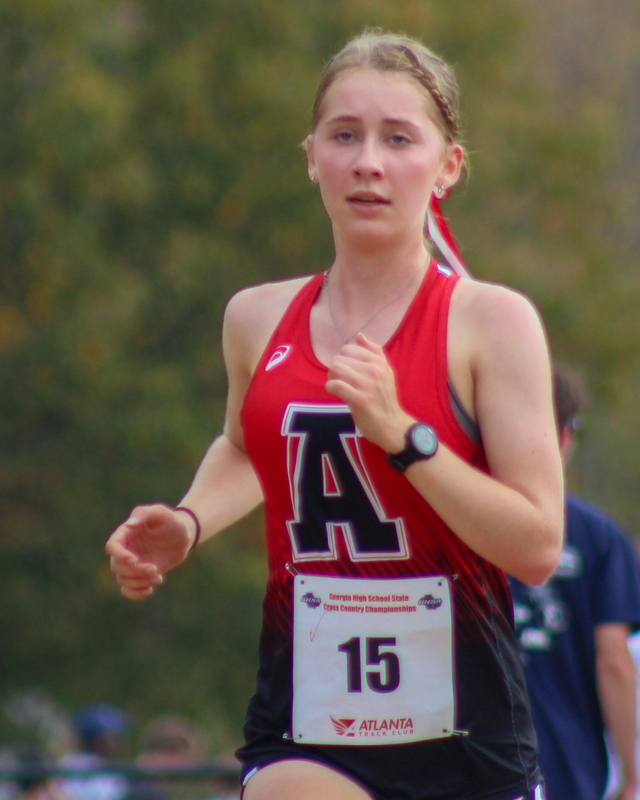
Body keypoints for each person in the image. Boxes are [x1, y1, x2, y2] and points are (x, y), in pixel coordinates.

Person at [106, 30, 564, 800]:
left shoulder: (492, 324)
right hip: (307, 720)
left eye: (399, 139)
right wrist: (188, 521)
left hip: (468, 736)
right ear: (312, 156)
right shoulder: (256, 317)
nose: (368, 162)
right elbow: (249, 446)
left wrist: (405, 439)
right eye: (344, 135)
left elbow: (538, 546)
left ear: (448, 166)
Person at [509, 366, 640, 800]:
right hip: (568, 764)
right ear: (564, 437)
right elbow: (614, 662)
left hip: (471, 764)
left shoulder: (455, 522)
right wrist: (632, 775)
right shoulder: (601, 538)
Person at [57, 704, 130, 800]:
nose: (118, 742)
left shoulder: (65, 762)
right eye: (113, 737)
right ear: (98, 740)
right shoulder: (68, 765)